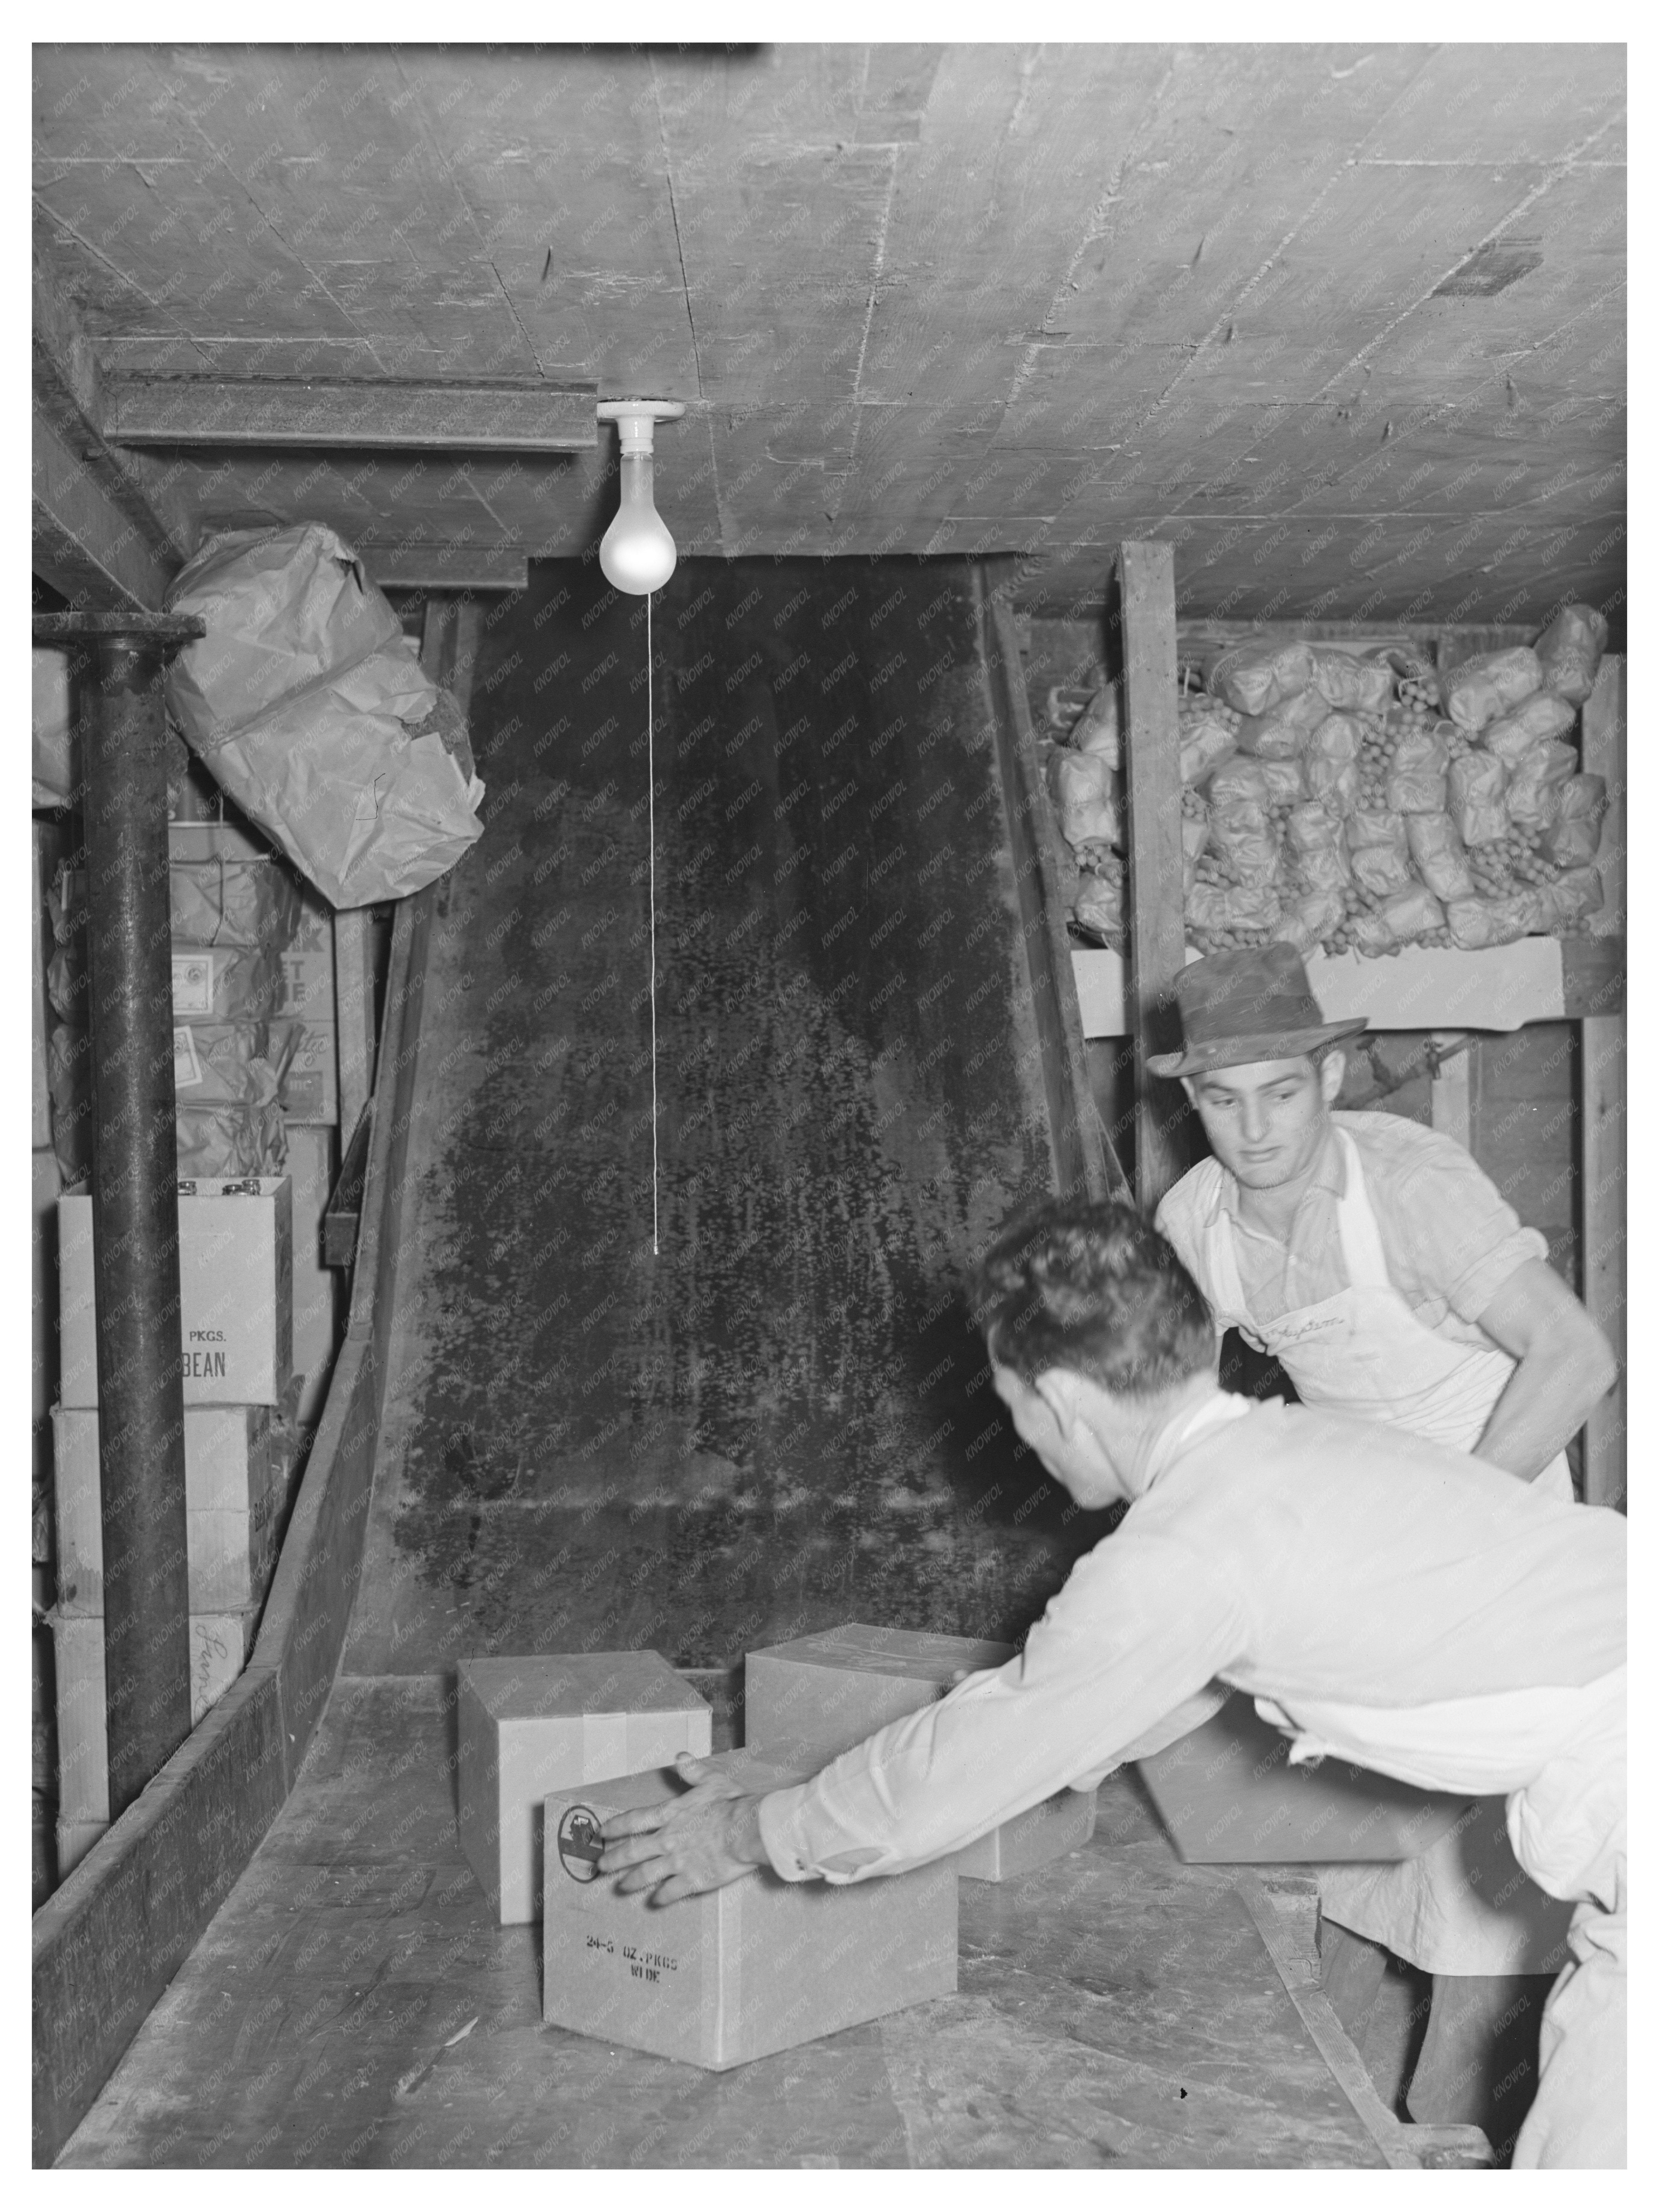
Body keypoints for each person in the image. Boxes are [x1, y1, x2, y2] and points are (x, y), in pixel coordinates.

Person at [599, 1201, 1625, 2171]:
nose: (1024, 1441)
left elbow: (976, 1763)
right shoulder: (1286, 1453)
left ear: (1061, 1399)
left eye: (1013, 1409)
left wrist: (743, 1836)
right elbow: (1093, 1714)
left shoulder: (1183, 1552)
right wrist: (840, 1778)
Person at [1146, 942, 1619, 2144]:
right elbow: (1188, 1414)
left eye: (1282, 1093)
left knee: (1495, 1872)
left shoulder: (1410, 1186)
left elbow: (1574, 1358)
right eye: (1221, 1099)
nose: (1253, 1132)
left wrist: (1443, 1534)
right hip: (1366, 1536)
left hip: (1499, 1514)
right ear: (1188, 1101)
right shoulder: (1194, 1222)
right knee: (1356, 1838)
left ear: (1334, 1073)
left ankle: (1459, 2119)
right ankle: (1352, 2111)